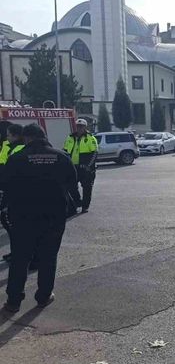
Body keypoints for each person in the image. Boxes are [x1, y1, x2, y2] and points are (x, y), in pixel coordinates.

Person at [1, 124, 76, 313]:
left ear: (26, 138)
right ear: (43, 136)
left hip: (23, 217)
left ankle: (13, 301)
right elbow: (73, 184)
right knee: (48, 258)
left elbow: (5, 186)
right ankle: (43, 297)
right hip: (53, 217)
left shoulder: (16, 159)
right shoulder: (61, 157)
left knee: (20, 259)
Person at [0, 124, 25, 263]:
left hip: (15, 192)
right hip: (9, 189)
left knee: (11, 222)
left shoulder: (19, 149)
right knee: (8, 221)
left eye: (9, 135)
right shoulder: (10, 146)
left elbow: (12, 173)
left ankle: (20, 253)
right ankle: (16, 251)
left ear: (15, 135)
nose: (6, 137)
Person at [63, 119, 98, 213]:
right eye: (78, 126)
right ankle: (78, 202)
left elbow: (94, 153)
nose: (79, 128)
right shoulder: (70, 137)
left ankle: (85, 206)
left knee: (87, 188)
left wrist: (88, 166)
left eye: (81, 126)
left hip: (86, 168)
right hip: (73, 167)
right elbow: (65, 151)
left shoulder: (90, 138)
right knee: (71, 186)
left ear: (85, 127)